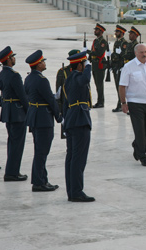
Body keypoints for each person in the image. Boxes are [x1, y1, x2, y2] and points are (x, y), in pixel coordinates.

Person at [119, 44, 146, 167]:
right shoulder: (128, 67)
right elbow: (122, 86)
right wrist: (123, 103)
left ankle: (137, 144)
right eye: (141, 52)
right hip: (135, 103)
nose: (144, 54)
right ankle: (143, 156)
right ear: (135, 53)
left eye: (145, 52)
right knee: (139, 130)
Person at [24, 50, 62, 191]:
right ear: (38, 64)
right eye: (43, 61)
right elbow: (50, 100)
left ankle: (42, 179)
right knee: (42, 152)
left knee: (39, 150)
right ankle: (38, 182)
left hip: (34, 116)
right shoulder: (42, 80)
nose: (44, 63)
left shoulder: (28, 78)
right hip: (43, 118)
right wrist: (59, 117)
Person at [63, 51, 95, 202]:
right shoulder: (77, 77)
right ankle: (76, 191)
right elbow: (85, 79)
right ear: (80, 65)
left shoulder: (69, 79)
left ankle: (72, 190)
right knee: (78, 158)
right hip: (79, 119)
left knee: (71, 157)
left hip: (71, 119)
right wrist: (89, 66)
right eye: (84, 64)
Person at [0, 46, 29, 182]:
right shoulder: (15, 76)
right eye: (13, 57)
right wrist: (30, 111)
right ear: (9, 60)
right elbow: (22, 96)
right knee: (17, 143)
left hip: (8, 110)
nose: (14, 58)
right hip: (17, 112)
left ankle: (12, 171)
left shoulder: (2, 74)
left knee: (12, 141)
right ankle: (12, 173)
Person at [89, 23, 108, 108]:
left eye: (96, 30)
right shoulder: (96, 41)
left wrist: (89, 52)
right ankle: (99, 100)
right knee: (97, 84)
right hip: (94, 64)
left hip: (100, 64)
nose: (95, 31)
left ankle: (101, 102)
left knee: (99, 84)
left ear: (100, 31)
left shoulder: (103, 41)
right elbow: (92, 52)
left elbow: (99, 53)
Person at [56, 49, 80, 113]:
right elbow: (59, 92)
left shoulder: (82, 71)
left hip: (80, 107)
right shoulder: (63, 71)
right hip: (67, 106)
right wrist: (60, 108)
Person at [111, 25, 127, 112]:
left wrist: (118, 54)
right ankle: (119, 103)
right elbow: (114, 54)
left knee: (120, 86)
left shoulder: (124, 43)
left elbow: (123, 55)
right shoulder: (117, 42)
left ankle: (120, 104)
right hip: (115, 66)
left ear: (121, 33)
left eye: (117, 32)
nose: (115, 33)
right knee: (117, 86)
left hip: (120, 66)